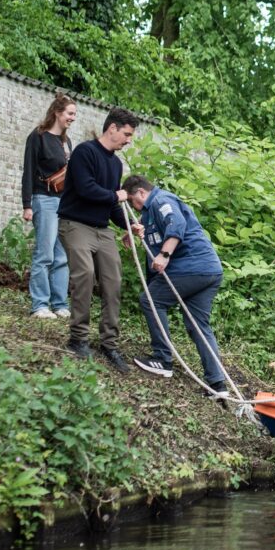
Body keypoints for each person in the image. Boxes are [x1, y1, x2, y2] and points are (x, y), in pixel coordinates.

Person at [123, 175, 231, 399]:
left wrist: (164, 255)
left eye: (134, 200)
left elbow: (176, 225)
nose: (135, 206)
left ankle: (162, 359)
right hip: (208, 270)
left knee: (150, 300)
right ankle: (218, 384)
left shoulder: (162, 201)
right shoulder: (149, 212)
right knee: (197, 325)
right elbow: (154, 230)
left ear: (142, 193)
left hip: (191, 268)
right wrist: (134, 231)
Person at [57, 107, 140, 371]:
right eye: (126, 134)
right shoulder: (85, 152)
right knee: (84, 275)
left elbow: (112, 206)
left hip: (101, 229)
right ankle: (78, 338)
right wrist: (115, 196)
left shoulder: (115, 164)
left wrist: (130, 224)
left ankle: (109, 343)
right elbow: (85, 188)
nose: (128, 140)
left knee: (113, 281)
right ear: (112, 128)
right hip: (75, 223)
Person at [20, 93, 77, 319]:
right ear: (57, 113)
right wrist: (27, 204)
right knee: (44, 254)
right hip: (43, 199)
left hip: (63, 202)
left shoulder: (66, 141)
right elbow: (28, 171)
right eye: (70, 114)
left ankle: (60, 303)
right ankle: (40, 305)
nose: (73, 118)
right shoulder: (38, 137)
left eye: (74, 114)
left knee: (61, 256)